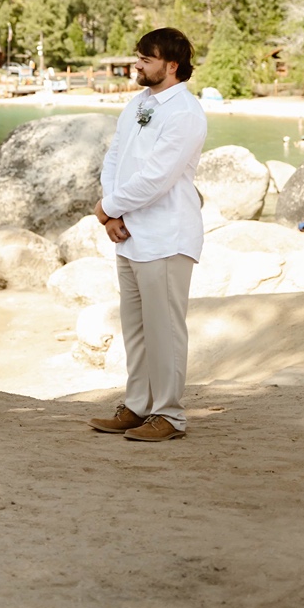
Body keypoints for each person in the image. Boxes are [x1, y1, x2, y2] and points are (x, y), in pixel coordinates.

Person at [89, 28, 206, 443]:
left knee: (165, 329)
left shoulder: (186, 113)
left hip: (166, 236)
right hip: (130, 234)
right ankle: (137, 405)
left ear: (171, 65)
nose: (136, 64)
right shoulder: (138, 103)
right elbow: (115, 158)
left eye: (145, 58)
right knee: (135, 328)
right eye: (137, 56)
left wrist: (109, 208)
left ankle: (170, 415)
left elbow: (158, 177)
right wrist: (111, 214)